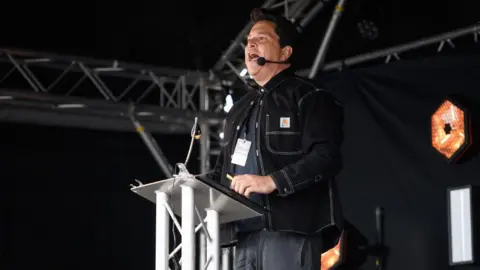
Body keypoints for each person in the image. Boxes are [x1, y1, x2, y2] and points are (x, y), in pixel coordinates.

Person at [207, 7, 345, 270]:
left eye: (261, 39)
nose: (250, 46)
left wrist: (272, 181)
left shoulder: (309, 96)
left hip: (291, 231)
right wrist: (192, 187)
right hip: (244, 236)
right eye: (248, 42)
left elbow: (326, 158)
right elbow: (223, 170)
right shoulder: (238, 109)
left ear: (285, 53)